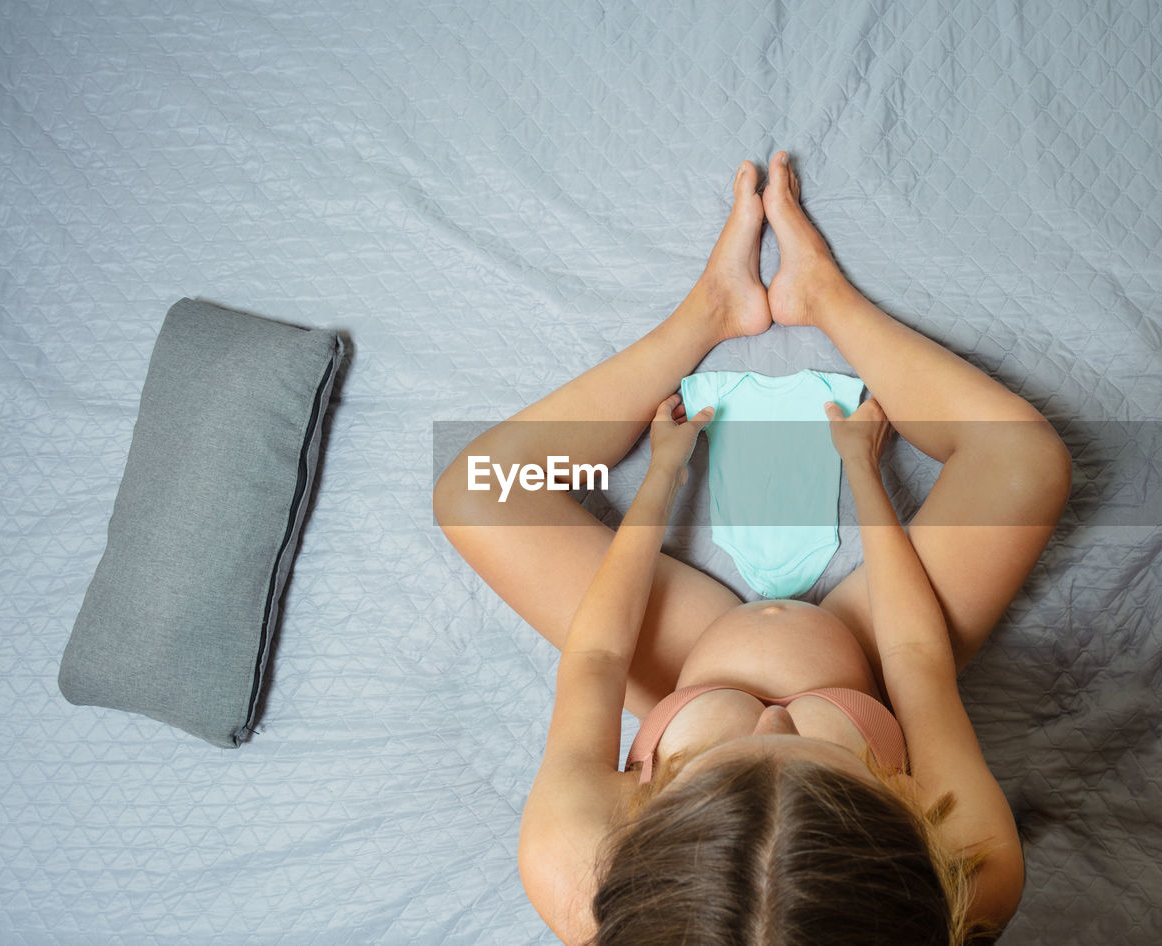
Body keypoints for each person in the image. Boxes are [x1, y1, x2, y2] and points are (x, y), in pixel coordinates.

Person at [433, 151, 1071, 945]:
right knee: (1024, 463)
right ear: (907, 813)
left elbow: (596, 659)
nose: (772, 722)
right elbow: (915, 657)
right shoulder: (971, 870)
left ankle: (708, 311)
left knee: (479, 490)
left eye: (725, 755)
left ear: (638, 827)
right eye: (809, 743)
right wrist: (862, 475)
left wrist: (663, 479)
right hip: (875, 657)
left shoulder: (571, 864)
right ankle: (824, 297)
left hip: (689, 653)